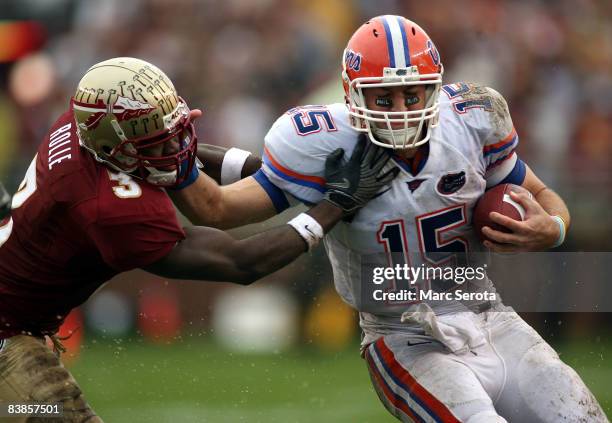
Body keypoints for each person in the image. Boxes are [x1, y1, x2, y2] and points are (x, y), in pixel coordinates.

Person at [173, 16, 607, 422]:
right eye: (383, 96)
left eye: (412, 94)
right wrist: (172, 157)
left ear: (434, 89)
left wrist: (553, 228)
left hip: (492, 316)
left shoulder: (472, 121)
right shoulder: (322, 144)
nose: (400, 109)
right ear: (351, 93)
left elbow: (546, 198)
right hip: (404, 337)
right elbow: (218, 209)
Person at [0, 57, 396, 423]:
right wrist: (334, 205)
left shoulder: (90, 127)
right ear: (111, 145)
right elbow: (240, 262)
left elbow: (170, 153)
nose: (174, 142)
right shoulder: (107, 208)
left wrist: (293, 177)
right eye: (152, 135)